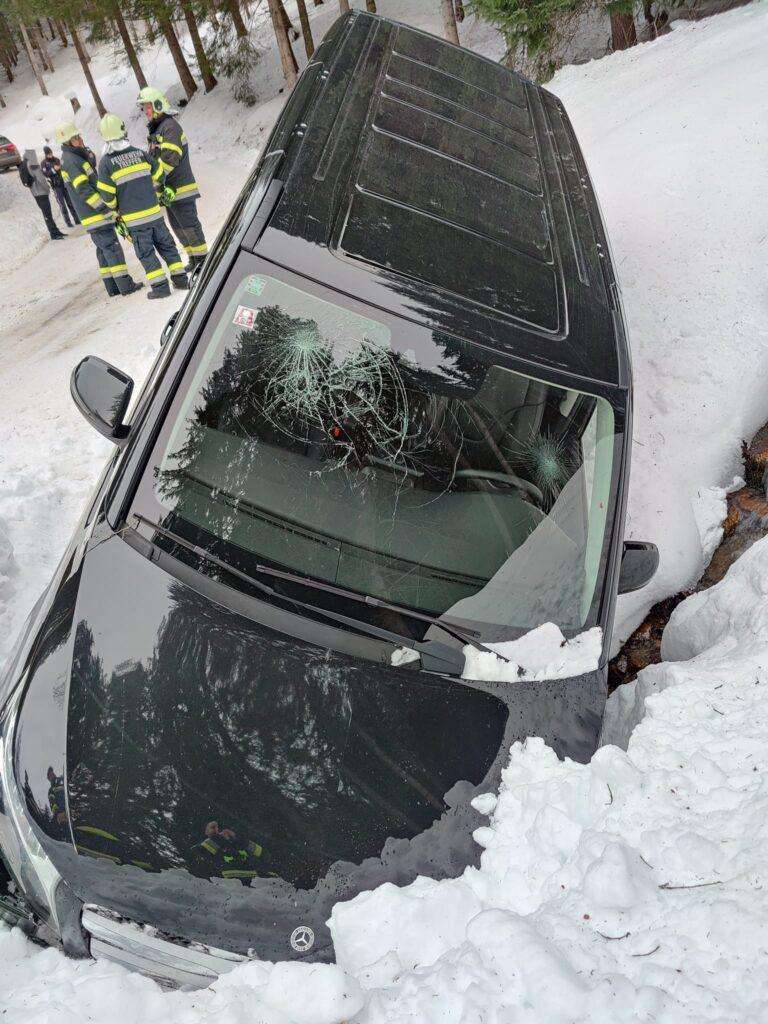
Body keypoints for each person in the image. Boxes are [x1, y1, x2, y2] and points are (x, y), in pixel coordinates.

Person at [97, 113, 189, 300]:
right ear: (123, 132)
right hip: (155, 215)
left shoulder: (106, 164)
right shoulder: (140, 154)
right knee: (168, 247)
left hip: (135, 221)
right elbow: (159, 176)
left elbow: (107, 196)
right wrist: (153, 195)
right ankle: (181, 280)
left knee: (147, 254)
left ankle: (161, 288)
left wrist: (117, 210)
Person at [56, 121, 142, 298]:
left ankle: (112, 287)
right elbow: (84, 189)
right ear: (67, 142)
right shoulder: (72, 161)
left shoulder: (72, 158)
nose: (80, 139)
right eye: (76, 138)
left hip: (90, 216)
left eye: (79, 136)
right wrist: (104, 209)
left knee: (103, 251)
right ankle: (125, 286)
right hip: (95, 214)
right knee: (112, 247)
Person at [137, 86, 208, 271]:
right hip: (168, 191)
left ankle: (202, 259)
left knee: (189, 225)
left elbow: (170, 158)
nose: (145, 111)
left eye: (147, 107)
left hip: (180, 187)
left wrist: (156, 181)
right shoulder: (157, 130)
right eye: (144, 108)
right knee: (178, 227)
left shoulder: (170, 126)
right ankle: (193, 257)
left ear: (158, 105)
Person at [18, 149, 66, 240]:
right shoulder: (32, 163)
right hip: (41, 192)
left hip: (35, 193)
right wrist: (47, 189)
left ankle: (55, 231)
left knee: (47, 214)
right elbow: (41, 179)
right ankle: (54, 233)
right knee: (47, 214)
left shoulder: (24, 163)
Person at [41, 144, 80, 228]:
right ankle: (68, 221)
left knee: (70, 202)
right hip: (56, 186)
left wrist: (60, 168)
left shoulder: (57, 160)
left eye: (50, 153)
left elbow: (63, 168)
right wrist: (53, 170)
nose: (50, 155)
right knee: (62, 205)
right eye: (48, 154)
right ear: (45, 154)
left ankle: (76, 219)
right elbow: (45, 174)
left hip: (64, 184)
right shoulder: (44, 163)